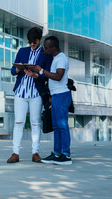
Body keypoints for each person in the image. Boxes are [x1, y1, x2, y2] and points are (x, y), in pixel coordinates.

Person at [7, 27, 52, 163]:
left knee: (35, 123)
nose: (32, 44)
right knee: (18, 122)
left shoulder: (45, 55)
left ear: (40, 40)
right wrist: (18, 68)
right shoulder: (22, 51)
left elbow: (47, 75)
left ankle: (35, 152)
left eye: (35, 42)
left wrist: (36, 75)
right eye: (30, 42)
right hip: (20, 92)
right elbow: (12, 71)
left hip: (35, 93)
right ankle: (15, 153)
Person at [32, 36, 72, 165]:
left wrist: (42, 71)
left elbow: (59, 77)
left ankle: (66, 155)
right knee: (56, 126)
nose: (44, 49)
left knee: (62, 126)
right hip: (55, 96)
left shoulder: (61, 58)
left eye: (46, 47)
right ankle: (57, 153)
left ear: (54, 47)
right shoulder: (56, 58)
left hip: (61, 95)